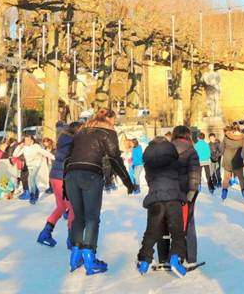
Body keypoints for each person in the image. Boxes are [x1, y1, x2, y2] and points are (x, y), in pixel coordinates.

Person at [64, 108, 134, 274]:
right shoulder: (108, 132)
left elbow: (68, 157)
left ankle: (75, 257)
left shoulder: (81, 131)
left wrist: (63, 186)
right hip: (91, 175)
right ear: (109, 119)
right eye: (114, 120)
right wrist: (127, 182)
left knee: (79, 217)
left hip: (71, 175)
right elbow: (114, 158)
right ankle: (89, 258)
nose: (115, 124)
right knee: (92, 218)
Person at [136, 136, 188, 277]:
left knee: (152, 231)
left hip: (155, 199)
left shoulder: (149, 164)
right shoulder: (175, 160)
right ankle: (175, 257)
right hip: (173, 199)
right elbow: (182, 179)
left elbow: (149, 180)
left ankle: (144, 261)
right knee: (177, 231)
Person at [157, 126, 200, 265]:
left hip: (166, 191)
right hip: (184, 192)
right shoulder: (191, 150)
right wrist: (191, 193)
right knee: (188, 223)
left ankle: (163, 257)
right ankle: (190, 256)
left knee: (164, 223)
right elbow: (194, 173)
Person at [37, 122, 81, 248]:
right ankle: (71, 239)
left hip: (56, 176)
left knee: (61, 207)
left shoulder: (64, 139)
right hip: (63, 177)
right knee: (73, 207)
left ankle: (45, 233)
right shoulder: (71, 142)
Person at [12, 135, 55, 205]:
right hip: (29, 165)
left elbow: (44, 152)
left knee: (31, 178)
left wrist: (54, 157)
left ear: (31, 140)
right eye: (25, 140)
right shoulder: (24, 148)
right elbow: (15, 155)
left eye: (28, 140)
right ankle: (36, 190)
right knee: (33, 180)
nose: (26, 141)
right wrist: (19, 147)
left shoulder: (36, 147)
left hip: (36, 164)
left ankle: (32, 195)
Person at [220, 125, 244, 201]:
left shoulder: (226, 136)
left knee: (226, 178)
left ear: (232, 130)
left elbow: (222, 148)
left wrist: (223, 154)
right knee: (241, 178)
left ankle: (224, 192)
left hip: (227, 159)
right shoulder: (242, 138)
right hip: (238, 159)